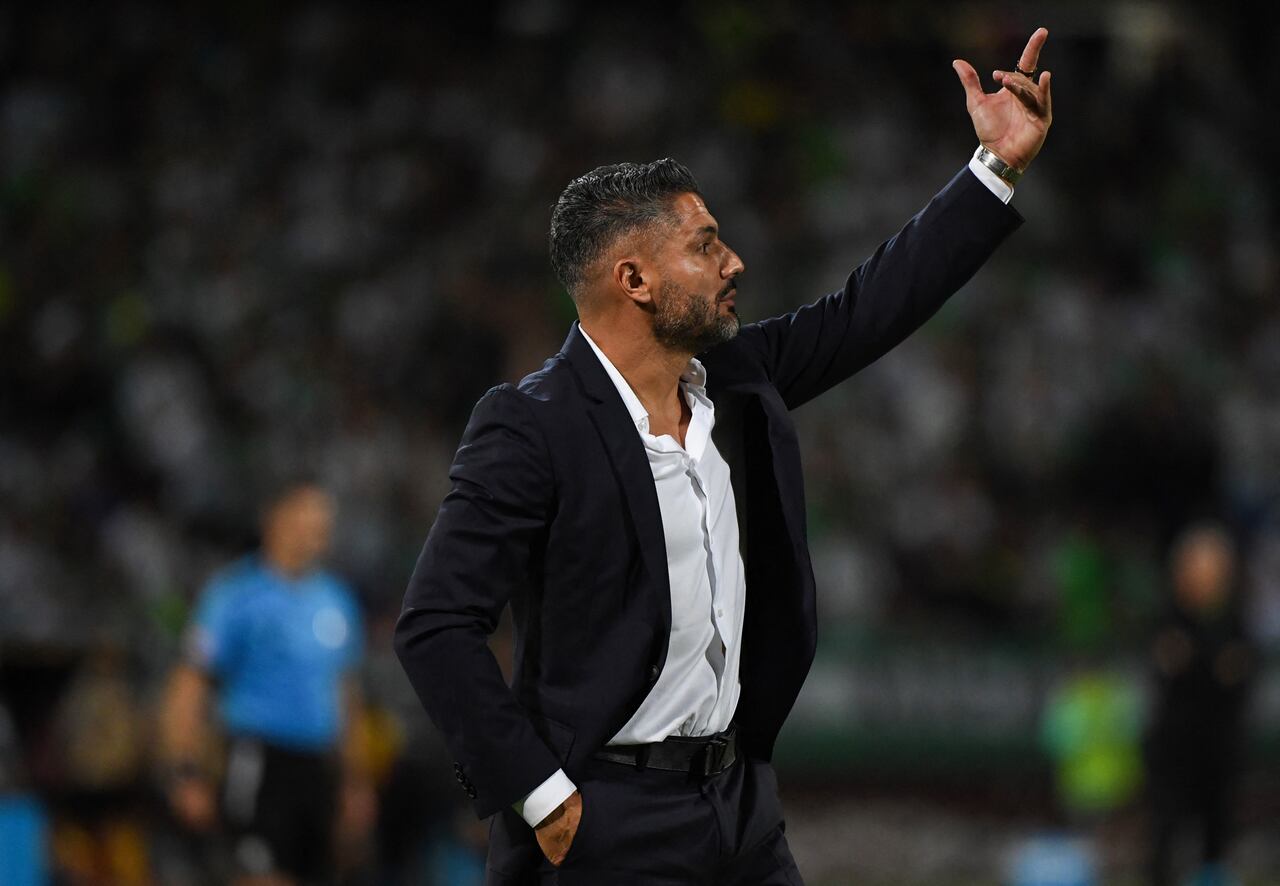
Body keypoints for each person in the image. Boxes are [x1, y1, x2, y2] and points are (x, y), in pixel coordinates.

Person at [396, 29, 1054, 885]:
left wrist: (995, 167)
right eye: (704, 245)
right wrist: (540, 794)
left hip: (738, 809)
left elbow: (868, 308)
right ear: (634, 280)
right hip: (606, 821)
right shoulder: (532, 426)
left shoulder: (735, 380)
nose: (732, 261)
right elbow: (436, 624)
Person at [159, 480, 372, 886]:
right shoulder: (235, 596)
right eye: (305, 519)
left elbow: (347, 696)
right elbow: (189, 686)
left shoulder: (336, 600)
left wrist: (356, 783)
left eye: (322, 522)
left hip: (318, 768)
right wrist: (184, 771)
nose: (315, 531)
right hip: (259, 761)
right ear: (274, 520)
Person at [1145, 523, 1255, 886]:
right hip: (1175, 745)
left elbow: (1239, 671)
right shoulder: (1168, 617)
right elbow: (1171, 665)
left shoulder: (1234, 620)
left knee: (1217, 827)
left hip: (1219, 744)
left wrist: (1199, 663)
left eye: (1215, 570)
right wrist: (1213, 667)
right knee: (1166, 828)